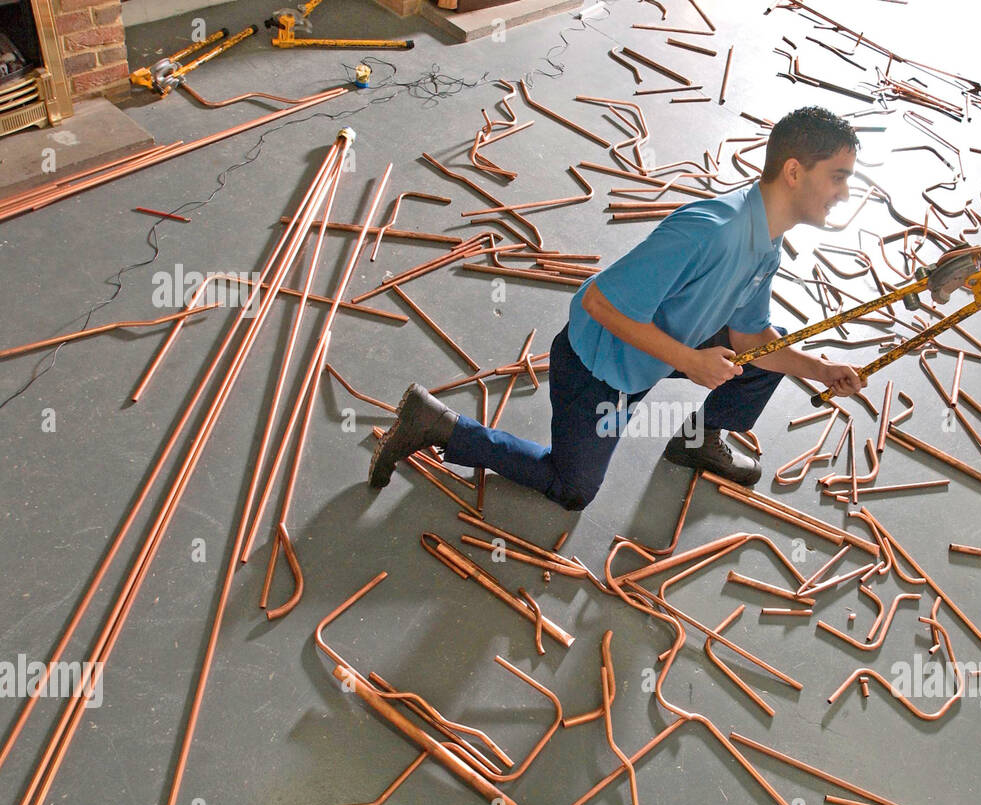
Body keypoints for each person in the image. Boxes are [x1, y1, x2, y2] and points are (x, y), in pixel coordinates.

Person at [368, 105, 866, 510]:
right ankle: (435, 424)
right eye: (838, 177)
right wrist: (690, 361)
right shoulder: (711, 230)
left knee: (767, 356)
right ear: (794, 171)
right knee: (572, 489)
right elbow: (599, 302)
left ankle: (696, 442)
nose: (845, 193)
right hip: (602, 368)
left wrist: (820, 369)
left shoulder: (768, 240)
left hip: (664, 347)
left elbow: (751, 339)